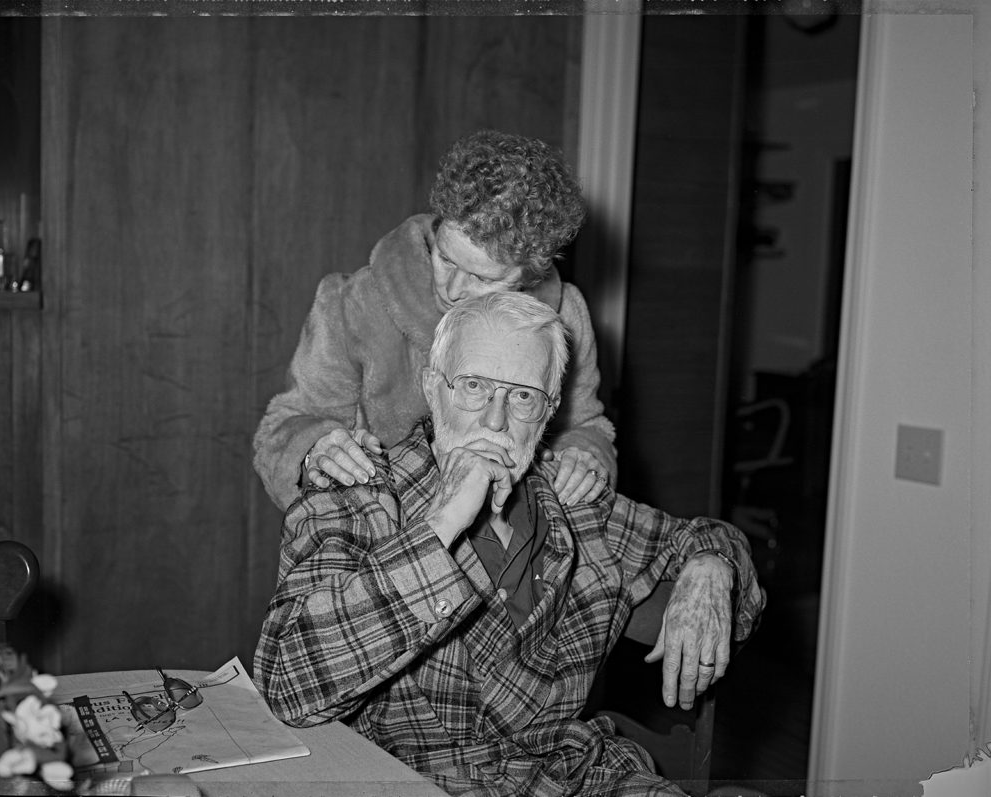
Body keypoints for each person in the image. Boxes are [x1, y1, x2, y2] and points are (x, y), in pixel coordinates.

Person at [255, 293, 765, 797]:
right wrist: (442, 521)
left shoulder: (573, 501)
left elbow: (708, 542)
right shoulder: (353, 495)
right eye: (474, 386)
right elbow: (287, 683)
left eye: (522, 396)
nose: (496, 421)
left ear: (549, 413)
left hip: (574, 777)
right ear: (434, 389)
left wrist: (712, 565)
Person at [253, 129, 616, 513]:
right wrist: (315, 449)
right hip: (384, 540)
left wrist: (584, 455)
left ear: (531, 274)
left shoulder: (565, 318)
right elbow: (285, 425)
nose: (453, 289)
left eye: (483, 278)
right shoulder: (353, 303)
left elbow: (586, 425)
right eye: (446, 259)